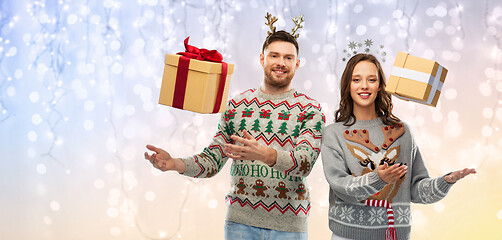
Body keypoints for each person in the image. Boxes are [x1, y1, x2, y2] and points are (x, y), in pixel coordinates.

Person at [144, 29, 325, 240]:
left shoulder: (309, 109)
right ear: (262, 59)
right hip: (239, 225)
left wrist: (264, 154)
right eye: (274, 55)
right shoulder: (237, 106)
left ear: (297, 64)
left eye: (288, 57)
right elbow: (212, 160)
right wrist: (174, 163)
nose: (281, 62)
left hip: (289, 227)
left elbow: (304, 164)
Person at [321, 53, 476, 240]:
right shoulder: (333, 134)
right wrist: (378, 179)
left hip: (394, 234)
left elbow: (416, 191)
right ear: (348, 86)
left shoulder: (403, 132)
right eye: (356, 79)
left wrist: (446, 181)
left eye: (372, 79)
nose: (364, 86)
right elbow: (341, 187)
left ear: (380, 86)